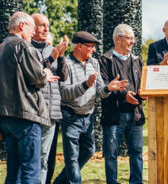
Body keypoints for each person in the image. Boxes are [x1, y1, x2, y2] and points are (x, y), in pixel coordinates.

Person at [0, 11, 61, 183]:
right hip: (25, 115)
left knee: (13, 170)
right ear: (22, 26)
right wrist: (44, 74)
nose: (33, 31)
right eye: (32, 27)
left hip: (5, 118)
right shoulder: (23, 46)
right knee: (31, 169)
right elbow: (37, 78)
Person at [54, 31, 129, 184]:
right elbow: (63, 92)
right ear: (79, 46)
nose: (94, 50)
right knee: (72, 157)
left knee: (88, 151)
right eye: (91, 47)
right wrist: (85, 85)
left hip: (88, 118)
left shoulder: (94, 63)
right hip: (70, 117)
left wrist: (109, 88)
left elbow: (100, 90)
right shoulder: (65, 64)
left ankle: (60, 181)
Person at [99, 24, 145, 184]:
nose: (132, 42)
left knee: (137, 153)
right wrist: (124, 95)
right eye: (129, 38)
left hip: (135, 115)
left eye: (133, 38)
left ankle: (136, 182)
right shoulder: (104, 60)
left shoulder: (138, 60)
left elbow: (144, 84)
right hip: (113, 116)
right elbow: (104, 86)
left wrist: (143, 94)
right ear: (117, 39)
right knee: (111, 154)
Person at [31, 14, 69, 184]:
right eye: (42, 25)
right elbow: (33, 73)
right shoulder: (26, 49)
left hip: (51, 112)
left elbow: (63, 76)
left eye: (47, 25)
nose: (46, 29)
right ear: (32, 28)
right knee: (31, 158)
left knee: (45, 158)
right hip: (31, 110)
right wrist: (53, 56)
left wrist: (60, 56)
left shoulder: (50, 48)